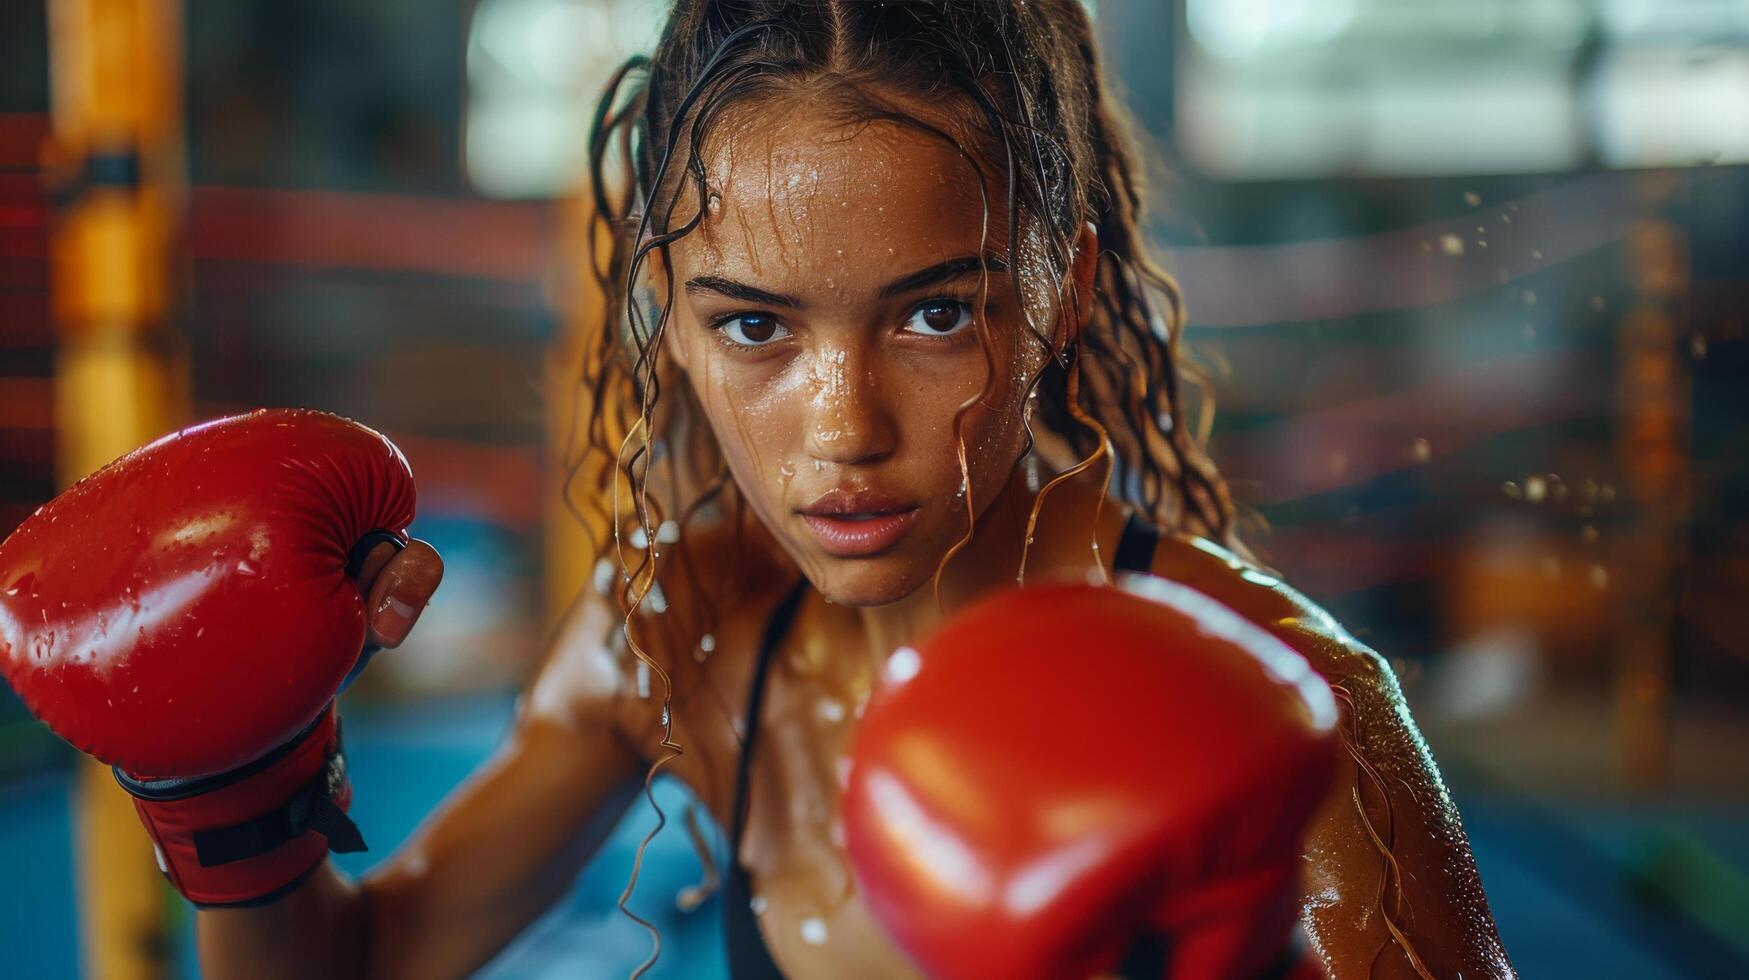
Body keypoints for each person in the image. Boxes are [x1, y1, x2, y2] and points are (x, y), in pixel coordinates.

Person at [29, 2, 1516, 977]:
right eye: (755, 326)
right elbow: (363, 965)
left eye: (938, 313)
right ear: (666, 320)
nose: (844, 427)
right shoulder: (675, 627)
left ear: (1062, 292)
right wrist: (237, 788)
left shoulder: (1296, 715)